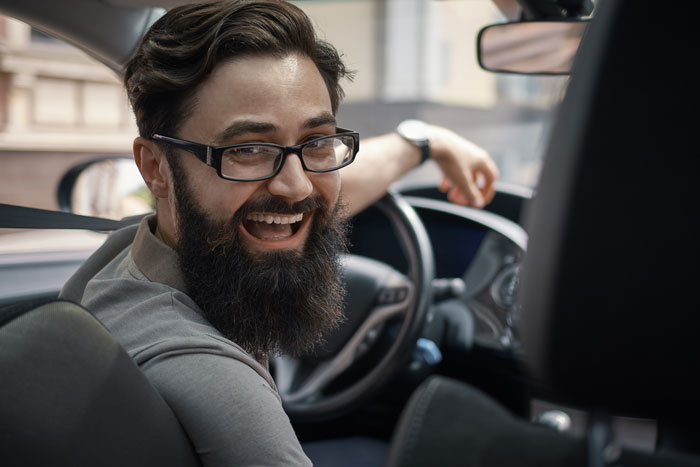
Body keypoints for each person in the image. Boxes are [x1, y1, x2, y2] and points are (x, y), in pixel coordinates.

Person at [64, 1, 498, 465]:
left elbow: (298, 190)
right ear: (156, 168)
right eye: (248, 149)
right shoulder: (206, 371)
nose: (295, 186)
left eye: (319, 141)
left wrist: (422, 143)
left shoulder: (125, 260)